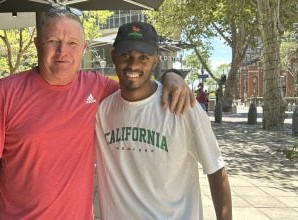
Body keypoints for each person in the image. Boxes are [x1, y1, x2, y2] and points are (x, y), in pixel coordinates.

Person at [0, 7, 195, 220]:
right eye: (53, 41)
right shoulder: (5, 91)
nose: (62, 51)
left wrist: (170, 76)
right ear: (37, 44)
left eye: (72, 43)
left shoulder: (96, 87)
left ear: (83, 48)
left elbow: (137, 86)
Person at [95, 22, 232, 220]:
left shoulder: (184, 107)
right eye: (126, 55)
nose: (133, 65)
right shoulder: (102, 111)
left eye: (143, 57)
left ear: (156, 60)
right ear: (114, 56)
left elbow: (216, 170)